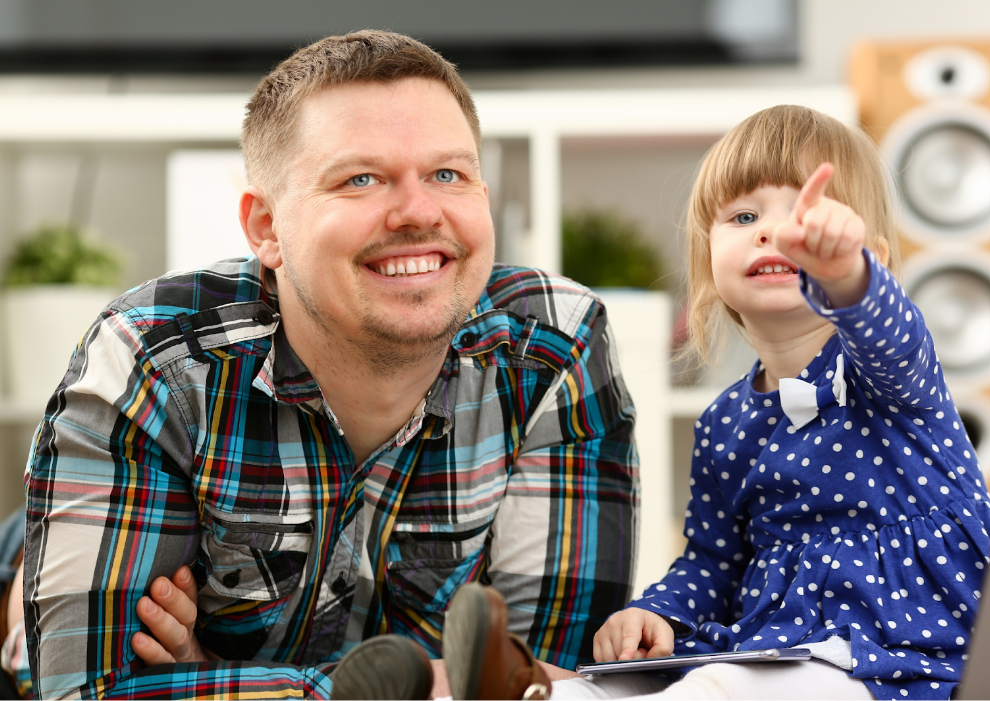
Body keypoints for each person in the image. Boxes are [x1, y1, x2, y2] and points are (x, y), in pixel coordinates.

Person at [21, 30, 639, 700]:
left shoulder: (554, 348)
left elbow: (549, 683)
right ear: (266, 229)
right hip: (52, 548)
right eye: (361, 179)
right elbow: (86, 690)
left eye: (447, 174)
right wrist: (420, 684)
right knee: (24, 607)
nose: (419, 211)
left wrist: (216, 680)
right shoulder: (157, 359)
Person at [438, 105, 990, 700]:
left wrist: (847, 277)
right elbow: (711, 562)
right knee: (626, 687)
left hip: (903, 655)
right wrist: (656, 613)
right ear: (709, 259)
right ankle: (515, 691)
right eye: (744, 216)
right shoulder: (726, 421)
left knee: (716, 686)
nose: (772, 231)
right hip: (777, 648)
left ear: (872, 259)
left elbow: (890, 333)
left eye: (805, 217)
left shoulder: (889, 378)